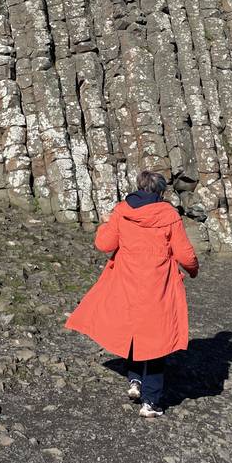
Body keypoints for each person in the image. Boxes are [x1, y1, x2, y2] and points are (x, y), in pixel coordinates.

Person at [64, 170, 199, 418]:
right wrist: (193, 270)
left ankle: (135, 379)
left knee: (133, 331)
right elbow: (184, 252)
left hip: (127, 280)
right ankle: (152, 402)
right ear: (160, 191)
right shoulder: (168, 214)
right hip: (158, 284)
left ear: (139, 186)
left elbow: (104, 244)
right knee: (157, 341)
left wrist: (107, 223)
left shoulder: (122, 210)